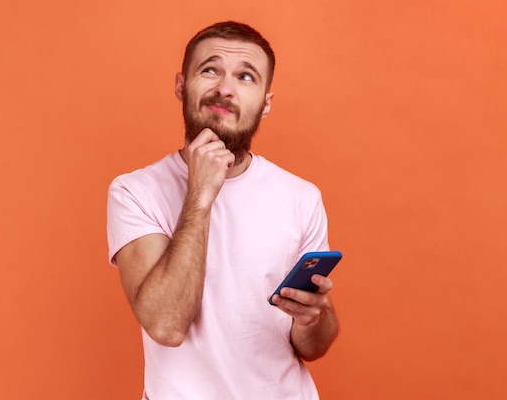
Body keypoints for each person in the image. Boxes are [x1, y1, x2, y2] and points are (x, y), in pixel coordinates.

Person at [107, 21, 339, 400]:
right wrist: (200, 194)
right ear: (182, 86)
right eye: (210, 69)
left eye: (246, 76)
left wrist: (314, 317)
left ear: (265, 103)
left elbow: (312, 347)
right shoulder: (135, 191)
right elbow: (166, 325)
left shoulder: (301, 197)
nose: (225, 88)